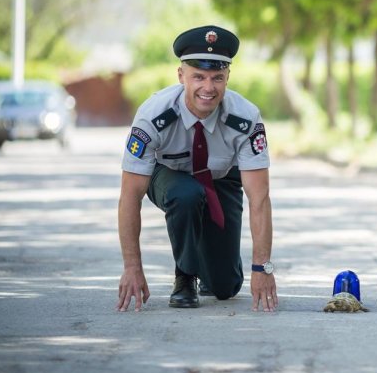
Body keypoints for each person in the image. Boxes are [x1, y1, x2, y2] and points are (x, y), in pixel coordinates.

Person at [116, 25, 277, 313]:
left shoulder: (245, 118)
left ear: (228, 77)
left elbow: (259, 198)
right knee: (186, 194)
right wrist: (131, 267)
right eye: (198, 77)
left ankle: (209, 266)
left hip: (221, 179)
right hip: (167, 176)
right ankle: (185, 277)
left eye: (217, 78)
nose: (208, 88)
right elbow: (130, 195)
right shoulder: (154, 116)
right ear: (181, 76)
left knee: (225, 287)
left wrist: (262, 268)